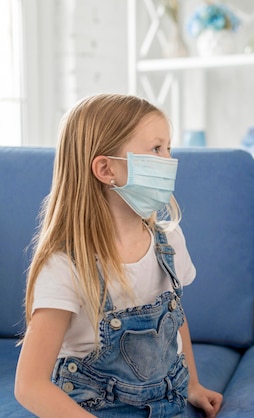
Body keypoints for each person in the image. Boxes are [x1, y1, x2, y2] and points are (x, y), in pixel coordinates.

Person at [14, 93, 223, 417]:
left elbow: (176, 320)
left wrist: (192, 385)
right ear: (105, 168)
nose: (168, 161)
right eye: (156, 149)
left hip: (169, 402)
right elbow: (30, 385)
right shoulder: (66, 266)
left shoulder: (170, 242)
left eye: (169, 148)